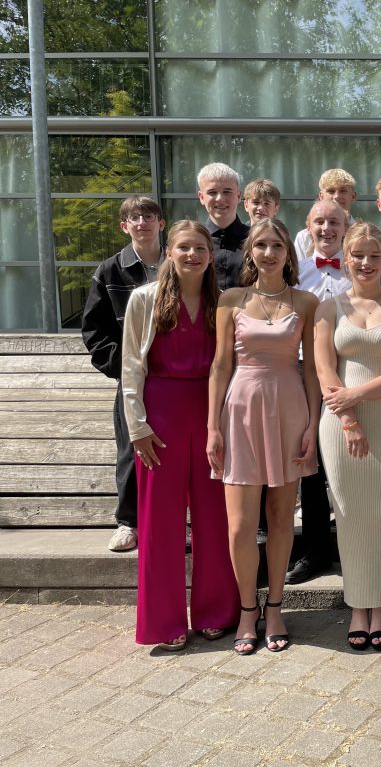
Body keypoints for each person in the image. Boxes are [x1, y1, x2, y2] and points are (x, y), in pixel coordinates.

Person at [121, 220, 239, 650]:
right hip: (161, 418)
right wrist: (138, 426)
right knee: (160, 523)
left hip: (212, 415)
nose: (192, 255)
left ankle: (216, 611)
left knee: (216, 517)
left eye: (200, 248)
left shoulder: (222, 302)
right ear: (169, 252)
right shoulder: (144, 299)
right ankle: (164, 621)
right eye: (184, 248)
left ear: (211, 255)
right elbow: (131, 366)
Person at [207, 218, 320, 655]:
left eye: (277, 245)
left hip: (289, 409)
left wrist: (312, 423)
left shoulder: (306, 302)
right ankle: (246, 610)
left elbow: (311, 370)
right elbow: (221, 365)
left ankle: (275, 608)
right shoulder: (230, 300)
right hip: (240, 411)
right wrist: (212, 426)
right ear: (250, 252)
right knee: (239, 525)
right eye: (261, 245)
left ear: (288, 252)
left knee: (280, 517)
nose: (269, 253)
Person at [315, 222, 381, 651]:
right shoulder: (328, 309)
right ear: (346, 259)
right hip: (340, 423)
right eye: (358, 255)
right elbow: (324, 369)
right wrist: (350, 420)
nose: (366, 262)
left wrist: (357, 394)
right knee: (348, 512)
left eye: (375, 255)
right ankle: (358, 605)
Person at [82, 195, 165, 553]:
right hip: (133, 378)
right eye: (134, 217)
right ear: (124, 226)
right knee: (131, 449)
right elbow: (94, 330)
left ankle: (178, 521)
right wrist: (125, 366)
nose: (142, 222)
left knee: (177, 449)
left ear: (161, 223)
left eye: (148, 216)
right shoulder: (110, 270)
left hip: (176, 376)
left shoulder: (179, 262)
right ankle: (129, 522)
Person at [286, 200, 352, 585]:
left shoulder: (361, 267)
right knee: (309, 466)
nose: (327, 228)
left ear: (346, 226)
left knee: (349, 461)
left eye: (334, 222)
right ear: (308, 227)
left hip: (351, 372)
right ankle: (314, 552)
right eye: (320, 222)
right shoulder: (295, 273)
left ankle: (352, 547)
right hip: (303, 374)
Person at [197, 162, 249, 291]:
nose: (220, 198)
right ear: (201, 197)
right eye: (212, 192)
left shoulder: (256, 239)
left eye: (227, 192)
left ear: (238, 196)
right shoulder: (192, 239)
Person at [294, 169, 358, 259]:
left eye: (343, 191)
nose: (337, 196)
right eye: (331, 191)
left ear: (353, 196)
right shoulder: (304, 238)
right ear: (321, 196)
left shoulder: (364, 235)